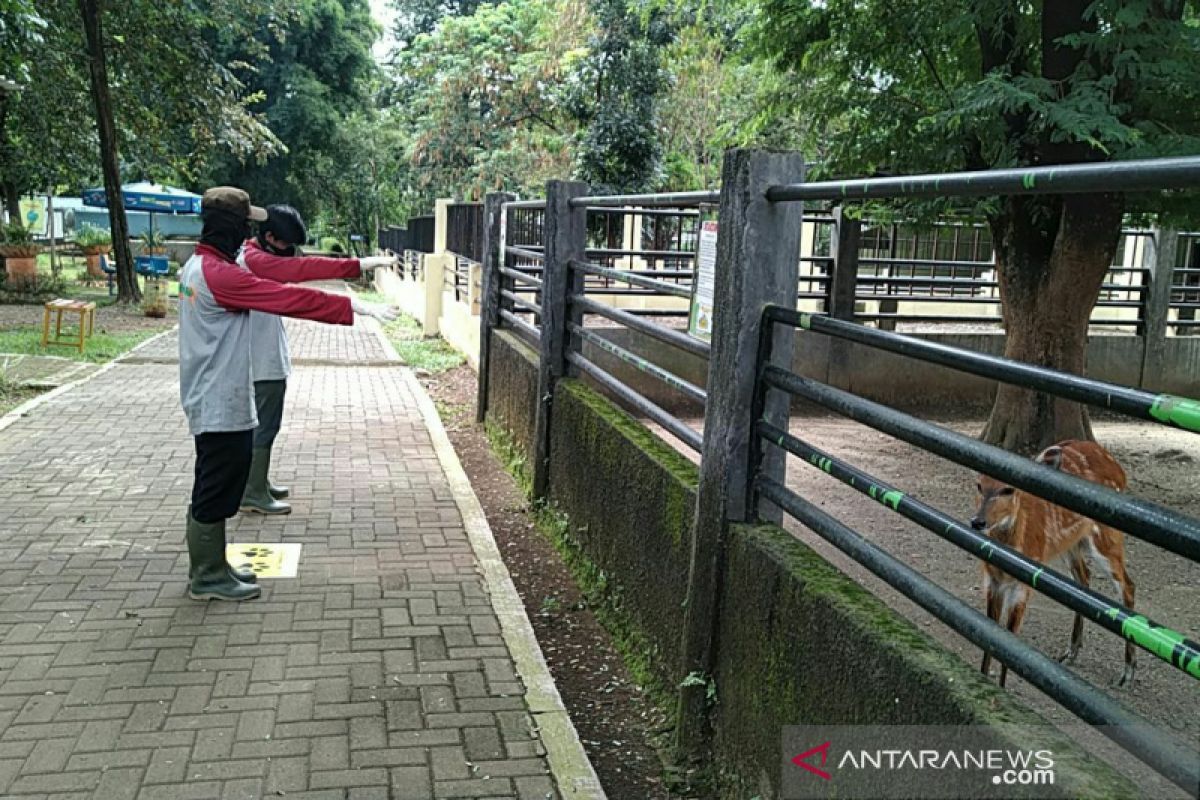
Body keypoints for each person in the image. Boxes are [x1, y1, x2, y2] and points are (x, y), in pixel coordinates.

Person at [179, 187, 399, 602]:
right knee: (215, 485)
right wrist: (355, 309)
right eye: (245, 224)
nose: (249, 231)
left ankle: (213, 564)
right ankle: (206, 575)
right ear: (231, 226)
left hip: (213, 391)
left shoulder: (197, 266)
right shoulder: (221, 275)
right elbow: (287, 297)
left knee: (218, 480)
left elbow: (289, 281)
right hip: (219, 397)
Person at [237, 205, 397, 515]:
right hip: (260, 359)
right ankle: (252, 491)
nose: (291, 252)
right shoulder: (254, 261)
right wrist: (360, 269)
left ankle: (256, 482)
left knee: (263, 425)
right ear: (268, 236)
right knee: (265, 426)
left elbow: (300, 269)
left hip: (262, 352)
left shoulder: (251, 254)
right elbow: (303, 272)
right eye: (287, 244)